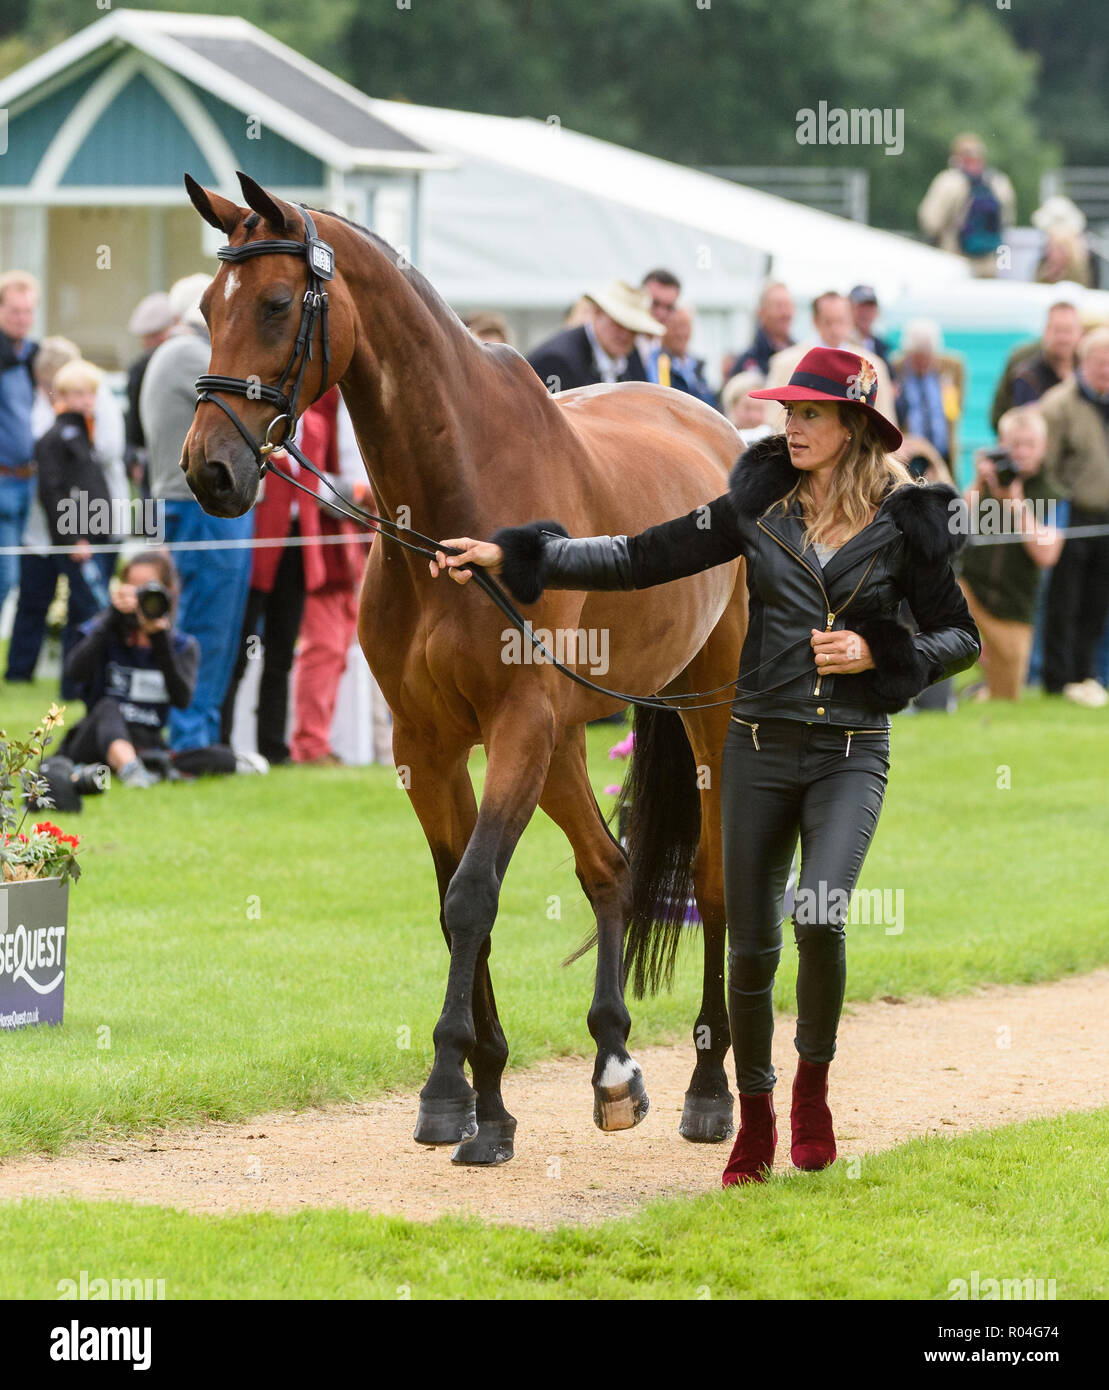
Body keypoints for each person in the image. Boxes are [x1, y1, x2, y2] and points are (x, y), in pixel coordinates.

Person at [428, 346, 980, 1188]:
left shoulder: (910, 525)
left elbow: (960, 637)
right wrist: (519, 555)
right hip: (758, 748)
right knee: (751, 946)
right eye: (786, 411)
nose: (788, 426)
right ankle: (753, 1119)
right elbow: (637, 556)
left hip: (848, 754)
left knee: (820, 916)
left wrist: (877, 650)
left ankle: (811, 1096)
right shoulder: (752, 505)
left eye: (809, 414)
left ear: (854, 427)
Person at [140, 273, 254, 752]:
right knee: (207, 624)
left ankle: (198, 734)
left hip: (195, 506)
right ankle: (190, 738)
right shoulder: (190, 355)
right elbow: (248, 409)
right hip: (202, 508)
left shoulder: (174, 353)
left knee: (213, 624)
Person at [5, 337, 127, 686]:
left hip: (91, 532)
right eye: (77, 394)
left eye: (90, 394)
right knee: (53, 601)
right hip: (72, 537)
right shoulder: (58, 437)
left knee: (86, 609)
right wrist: (74, 536)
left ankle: (76, 681)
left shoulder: (82, 433)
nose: (86, 401)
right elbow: (54, 492)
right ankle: (31, 674)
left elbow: (91, 480)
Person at [61, 551, 199, 788]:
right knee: (107, 706)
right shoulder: (105, 629)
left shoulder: (180, 645)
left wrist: (159, 639)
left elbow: (182, 699)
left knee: (215, 756)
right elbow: (73, 674)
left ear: (169, 592)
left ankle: (142, 764)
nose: (140, 598)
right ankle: (131, 769)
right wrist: (112, 617)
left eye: (149, 589)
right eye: (133, 589)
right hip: (95, 737)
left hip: (146, 740)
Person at [957, 409, 1063, 700]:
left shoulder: (1053, 492)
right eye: (1015, 444)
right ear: (1001, 444)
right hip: (970, 591)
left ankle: (980, 690)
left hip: (1014, 606)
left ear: (1044, 449)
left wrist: (1015, 502)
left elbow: (1047, 555)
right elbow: (951, 525)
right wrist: (978, 483)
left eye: (1030, 444)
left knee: (1007, 696)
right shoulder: (986, 483)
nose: (1022, 452)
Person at [1038, 327, 1109, 706]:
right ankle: (1056, 680)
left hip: (1106, 520)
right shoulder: (1059, 404)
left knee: (1097, 602)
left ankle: (1086, 675)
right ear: (1084, 362)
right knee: (1064, 600)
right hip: (1071, 513)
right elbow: (1045, 467)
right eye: (1100, 361)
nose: (1106, 369)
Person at [767, 292, 896, 424]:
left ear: (851, 320)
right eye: (828, 322)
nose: (835, 329)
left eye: (841, 321)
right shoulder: (785, 363)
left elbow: (884, 420)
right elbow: (774, 420)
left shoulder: (873, 366)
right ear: (815, 321)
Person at [525, 282, 664, 392]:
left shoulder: (631, 356)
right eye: (618, 323)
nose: (625, 334)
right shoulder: (558, 361)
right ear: (597, 312)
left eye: (634, 329)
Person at [918, 133, 1016, 277]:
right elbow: (1008, 221)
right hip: (989, 263)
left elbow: (930, 222)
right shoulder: (1000, 182)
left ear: (956, 156)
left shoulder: (948, 181)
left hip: (953, 260)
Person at [0, 270, 40, 620]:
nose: (22, 319)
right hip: (3, 480)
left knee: (19, 578)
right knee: (4, 577)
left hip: (29, 480)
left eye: (28, 311)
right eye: (14, 311)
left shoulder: (31, 354)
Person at [989, 302, 1084, 430]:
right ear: (1045, 331)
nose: (1063, 338)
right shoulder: (1025, 370)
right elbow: (999, 415)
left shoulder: (1089, 371)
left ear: (1080, 333)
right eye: (1057, 330)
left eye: (1068, 331)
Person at [124, 291, 175, 493]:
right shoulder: (142, 367)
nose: (147, 343)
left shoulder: (141, 367)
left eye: (152, 336)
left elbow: (133, 422)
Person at [893, 319, 962, 466]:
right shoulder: (895, 367)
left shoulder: (954, 367)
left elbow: (955, 409)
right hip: (909, 456)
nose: (923, 362)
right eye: (917, 358)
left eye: (927, 356)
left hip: (943, 454)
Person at [644, 305, 717, 408]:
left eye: (684, 326)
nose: (680, 333)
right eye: (674, 327)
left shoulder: (696, 366)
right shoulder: (655, 362)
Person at [729, 282, 795, 379]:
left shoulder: (800, 355)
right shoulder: (747, 362)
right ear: (761, 312)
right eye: (779, 306)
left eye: (788, 306)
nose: (786, 313)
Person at [848, 286, 894, 377]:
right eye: (861, 307)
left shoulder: (883, 348)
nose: (865, 313)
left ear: (876, 311)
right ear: (849, 310)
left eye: (870, 307)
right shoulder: (841, 344)